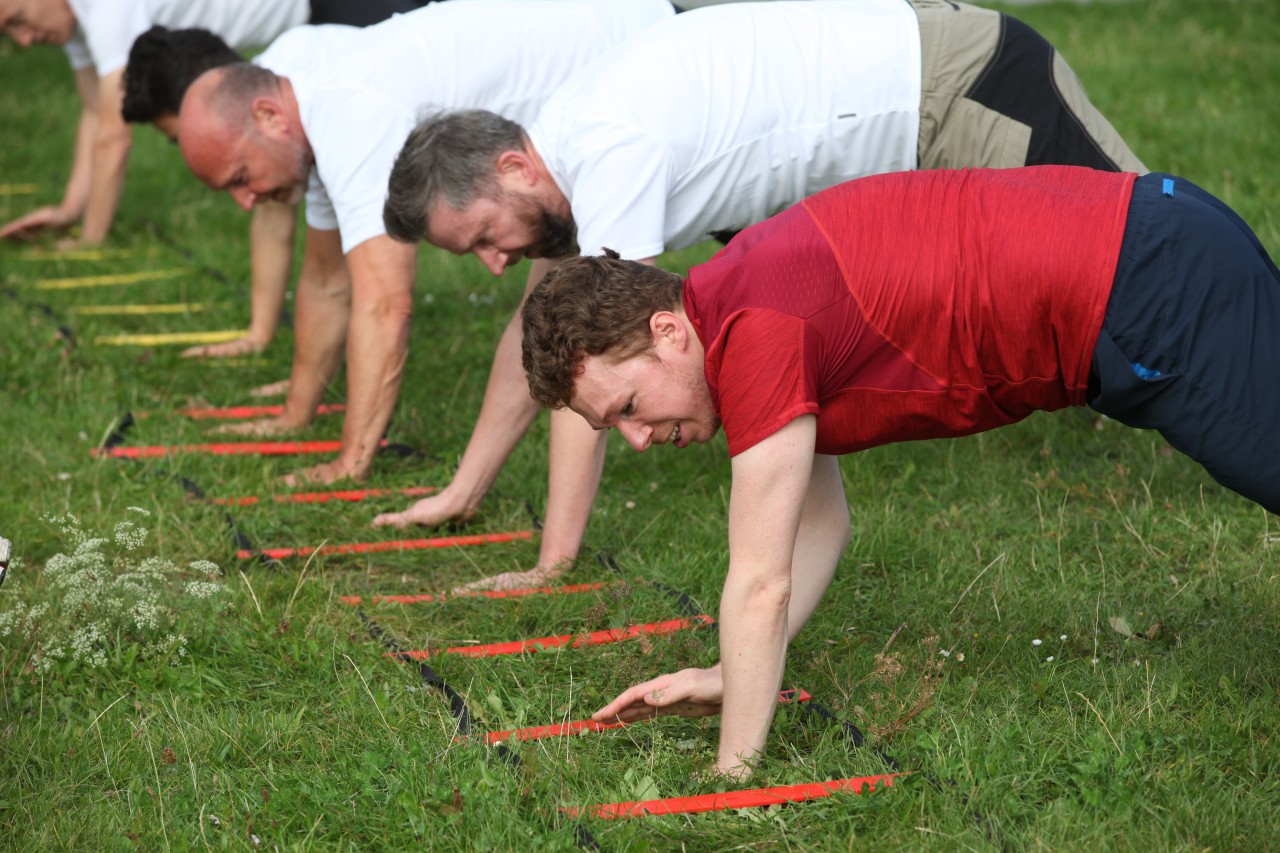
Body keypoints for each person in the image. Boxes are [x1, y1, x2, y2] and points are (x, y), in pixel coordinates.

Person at [518, 165, 1280, 778]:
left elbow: (759, 581)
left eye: (626, 406)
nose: (638, 440)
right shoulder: (732, 302)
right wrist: (726, 673)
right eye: (610, 427)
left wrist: (733, 775)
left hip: (1150, 285)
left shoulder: (755, 335)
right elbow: (820, 522)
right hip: (1161, 233)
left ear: (666, 333)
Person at [376, 0, 1148, 590]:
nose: (493, 262)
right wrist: (463, 490)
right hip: (917, 115)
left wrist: (554, 562)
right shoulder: (561, 153)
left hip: (958, 85)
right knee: (1122, 294)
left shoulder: (608, 146)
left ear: (513, 167)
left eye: (483, 236)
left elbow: (593, 361)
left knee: (1152, 261)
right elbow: (537, 339)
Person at [176, 0, 676, 487]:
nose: (245, 201)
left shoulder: (353, 117)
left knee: (598, 319)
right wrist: (295, 414)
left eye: (241, 176)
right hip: (627, 62)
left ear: (268, 117)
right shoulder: (321, 118)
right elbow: (326, 282)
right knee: (546, 314)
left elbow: (385, 307)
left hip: (654, 53)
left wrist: (349, 464)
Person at [0, 0, 439, 249]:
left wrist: (90, 242)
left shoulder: (106, 7)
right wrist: (69, 211)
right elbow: (96, 110)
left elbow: (114, 133)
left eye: (17, 19)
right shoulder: (74, 22)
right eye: (9, 33)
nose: (23, 40)